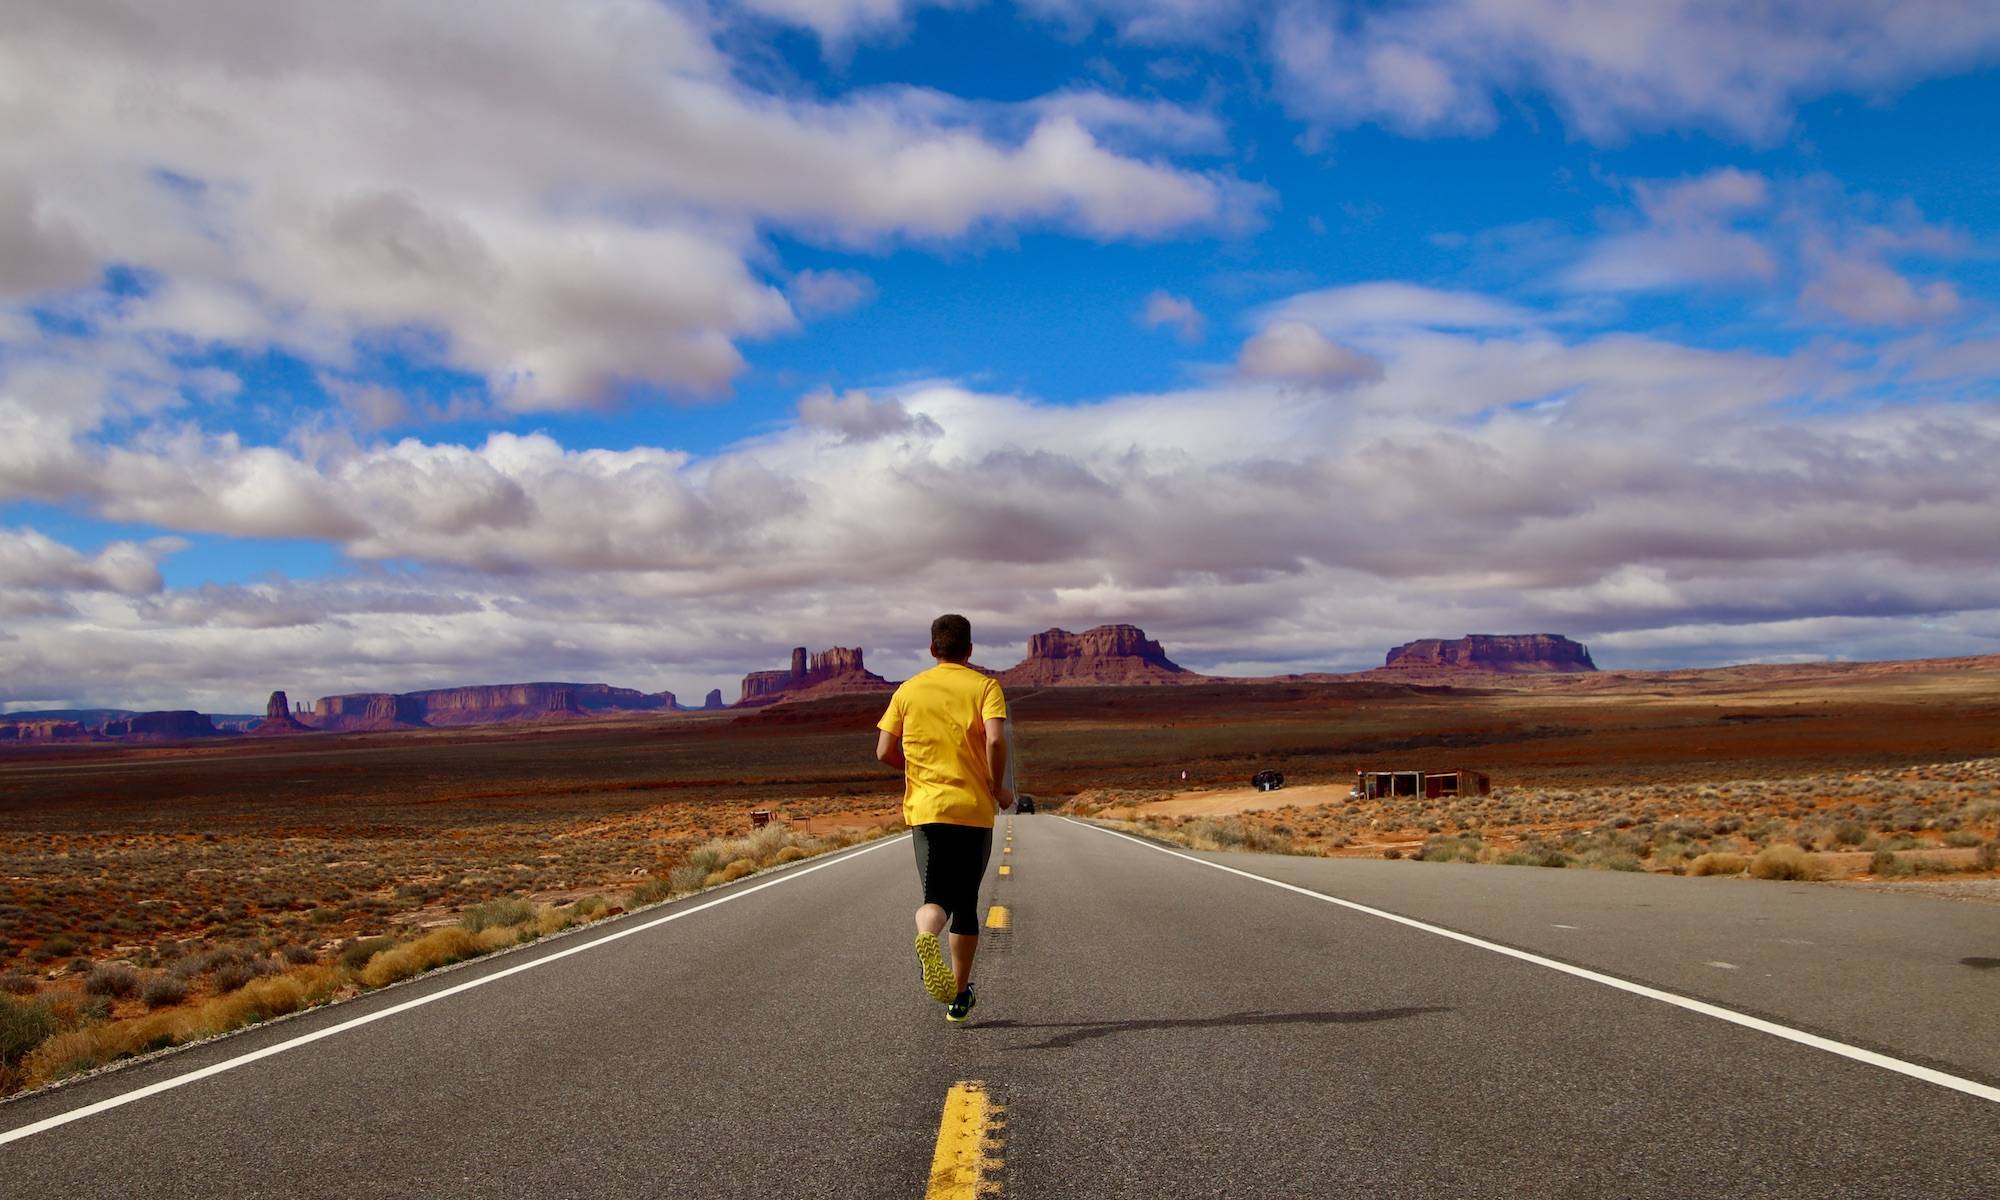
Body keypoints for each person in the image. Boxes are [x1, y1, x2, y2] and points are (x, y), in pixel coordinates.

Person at [875, 613, 1013, 1023]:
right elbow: (994, 738)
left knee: (935, 896)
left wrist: (915, 769)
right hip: (972, 810)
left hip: (926, 808)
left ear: (933, 649)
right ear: (969, 650)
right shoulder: (985, 687)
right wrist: (997, 785)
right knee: (967, 903)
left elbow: (883, 751)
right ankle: (958, 995)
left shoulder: (908, 691)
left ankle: (925, 936)